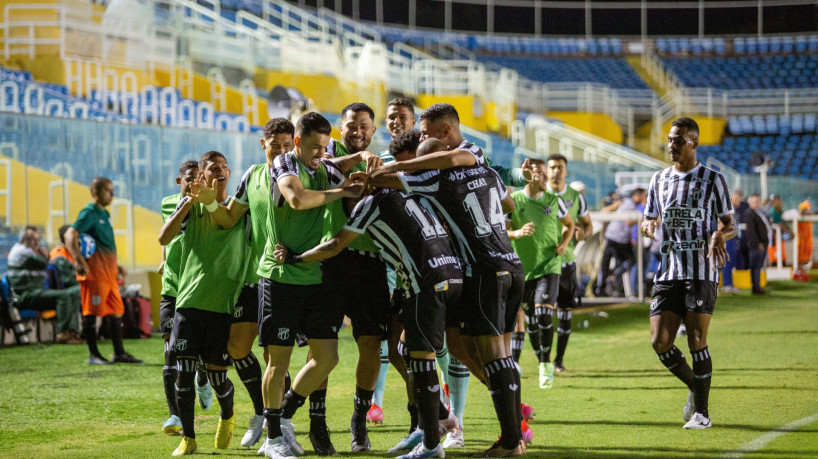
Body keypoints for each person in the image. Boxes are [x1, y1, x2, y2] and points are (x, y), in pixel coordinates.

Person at [273, 136, 466, 459]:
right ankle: (436, 421)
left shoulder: (371, 203)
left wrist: (296, 257)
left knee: (417, 356)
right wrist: (361, 161)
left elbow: (336, 243)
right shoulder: (406, 194)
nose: (356, 183)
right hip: (448, 275)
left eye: (363, 179)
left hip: (419, 281)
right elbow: (324, 166)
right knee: (403, 350)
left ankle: (434, 435)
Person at [371, 103, 526, 457]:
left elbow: (383, 181)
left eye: (424, 135)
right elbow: (509, 206)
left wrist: (382, 169)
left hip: (481, 270)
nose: (419, 137)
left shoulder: (436, 175)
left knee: (492, 356)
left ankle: (510, 440)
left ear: (443, 135)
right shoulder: (485, 167)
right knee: (491, 353)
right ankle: (510, 432)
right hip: (510, 264)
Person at [252, 112, 367, 459]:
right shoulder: (284, 164)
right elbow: (298, 199)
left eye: (324, 147)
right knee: (279, 362)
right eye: (314, 147)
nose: (320, 153)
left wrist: (361, 158)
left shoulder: (324, 167)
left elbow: (340, 167)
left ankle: (284, 415)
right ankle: (273, 439)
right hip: (280, 276)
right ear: (298, 142)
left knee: (327, 356)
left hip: (313, 276)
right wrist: (342, 191)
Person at [193, 118, 296, 448]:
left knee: (275, 354)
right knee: (238, 347)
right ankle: (262, 414)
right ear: (263, 144)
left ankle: (282, 420)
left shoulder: (300, 176)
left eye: (287, 145)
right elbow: (228, 218)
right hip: (252, 279)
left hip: (288, 276)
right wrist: (208, 201)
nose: (281, 151)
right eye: (275, 145)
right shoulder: (252, 177)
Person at [642, 117, 736, 430]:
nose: (671, 145)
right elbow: (648, 218)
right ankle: (696, 386)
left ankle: (702, 414)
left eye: (679, 140)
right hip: (668, 272)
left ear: (694, 142)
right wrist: (648, 225)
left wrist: (720, 234)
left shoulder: (713, 179)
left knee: (696, 339)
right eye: (670, 139)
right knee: (659, 341)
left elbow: (730, 223)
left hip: (701, 271)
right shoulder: (659, 179)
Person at [158, 151, 250, 456]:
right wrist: (188, 201)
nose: (220, 171)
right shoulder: (191, 208)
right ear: (202, 175)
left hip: (223, 305)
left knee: (218, 377)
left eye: (224, 166)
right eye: (212, 168)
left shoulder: (239, 208)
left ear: (229, 173)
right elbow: (164, 238)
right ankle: (189, 438)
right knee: (184, 371)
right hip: (188, 301)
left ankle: (228, 414)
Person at [322, 102, 391, 452]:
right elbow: (322, 168)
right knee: (323, 345)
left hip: (370, 263)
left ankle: (359, 422)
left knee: (371, 343)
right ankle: (317, 423)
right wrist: (360, 158)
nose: (358, 131)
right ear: (341, 127)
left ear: (374, 131)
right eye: (352, 125)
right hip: (330, 260)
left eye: (364, 126)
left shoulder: (384, 164)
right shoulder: (327, 153)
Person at [506, 159, 574, 391]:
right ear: (529, 174)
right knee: (532, 321)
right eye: (541, 174)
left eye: (546, 173)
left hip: (549, 265)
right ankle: (540, 359)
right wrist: (517, 233)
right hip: (523, 269)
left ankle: (546, 364)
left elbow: (569, 225)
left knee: (544, 313)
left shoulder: (554, 200)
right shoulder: (514, 200)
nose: (546, 178)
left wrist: (564, 243)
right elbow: (502, 231)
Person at [157, 161, 213, 435]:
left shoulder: (206, 205)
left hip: (196, 288)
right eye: (189, 178)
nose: (193, 182)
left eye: (197, 178)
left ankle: (203, 377)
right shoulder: (167, 203)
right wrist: (163, 259)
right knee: (170, 351)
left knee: (196, 351)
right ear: (179, 181)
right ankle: (174, 416)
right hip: (171, 288)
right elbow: (168, 234)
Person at [65, 177, 141, 364]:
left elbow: (104, 243)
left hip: (109, 274)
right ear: (95, 192)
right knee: (91, 313)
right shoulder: (89, 213)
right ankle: (93, 355)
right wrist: (78, 260)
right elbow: (70, 234)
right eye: (108, 190)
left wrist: (117, 265)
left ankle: (119, 353)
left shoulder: (105, 214)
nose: (112, 194)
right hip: (94, 274)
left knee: (116, 312)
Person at [545, 154, 593, 375]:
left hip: (566, 263)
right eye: (552, 167)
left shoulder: (575, 197)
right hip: (542, 264)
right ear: (547, 171)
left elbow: (587, 225)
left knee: (565, 313)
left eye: (560, 167)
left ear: (566, 171)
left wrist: (584, 233)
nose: (556, 171)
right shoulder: (538, 194)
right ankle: (543, 360)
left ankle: (558, 361)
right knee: (541, 315)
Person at [7, 226, 83, 344]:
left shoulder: (29, 250)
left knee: (75, 292)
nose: (37, 243)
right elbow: (43, 263)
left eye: (38, 239)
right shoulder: (21, 251)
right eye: (33, 240)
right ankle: (63, 334)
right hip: (25, 295)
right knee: (63, 297)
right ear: (22, 240)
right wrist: (43, 253)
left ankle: (72, 332)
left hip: (36, 293)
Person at [595, 188, 646, 297]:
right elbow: (628, 221)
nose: (645, 199)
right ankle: (613, 277)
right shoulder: (630, 204)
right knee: (631, 260)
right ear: (637, 195)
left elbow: (605, 211)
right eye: (644, 196)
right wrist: (643, 220)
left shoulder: (625, 202)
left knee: (605, 263)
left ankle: (601, 289)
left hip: (611, 236)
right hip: (620, 239)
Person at [743, 193, 771, 295]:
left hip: (761, 244)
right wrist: (758, 243)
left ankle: (757, 286)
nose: (757, 203)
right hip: (756, 245)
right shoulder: (749, 213)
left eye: (759, 201)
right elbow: (751, 231)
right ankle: (756, 287)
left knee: (758, 266)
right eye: (755, 201)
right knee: (756, 266)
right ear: (750, 202)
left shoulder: (759, 213)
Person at [767, 194, 791, 265]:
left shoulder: (779, 212)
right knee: (775, 259)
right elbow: (779, 224)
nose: (779, 203)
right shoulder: (773, 212)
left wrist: (789, 231)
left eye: (780, 201)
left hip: (780, 239)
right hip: (774, 239)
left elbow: (783, 223)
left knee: (781, 258)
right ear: (773, 202)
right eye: (777, 201)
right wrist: (789, 232)